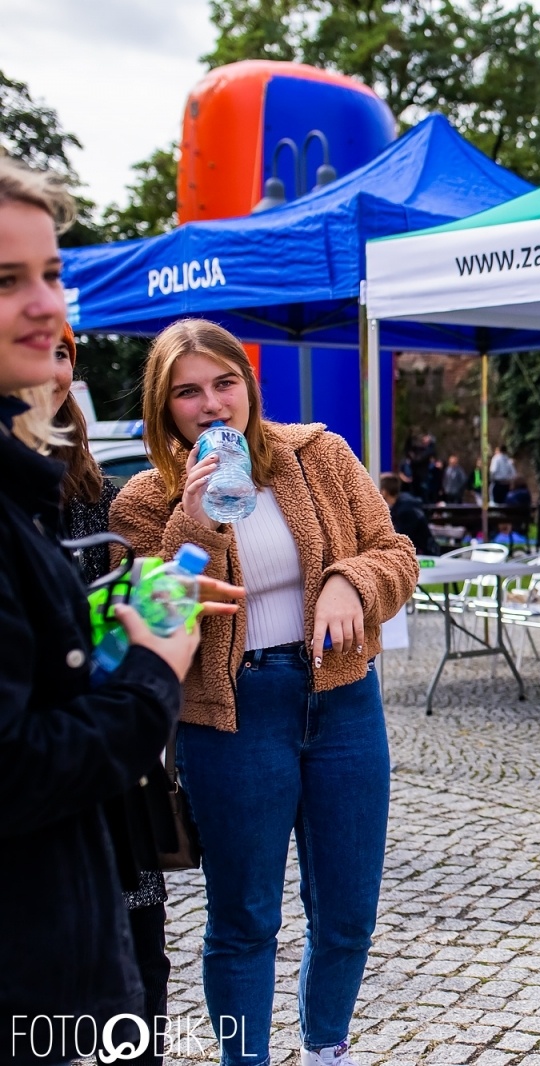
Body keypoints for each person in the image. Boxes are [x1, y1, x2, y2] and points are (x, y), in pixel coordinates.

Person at [111, 319, 418, 1066]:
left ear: (248, 386)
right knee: (245, 919)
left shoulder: (320, 454)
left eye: (225, 383)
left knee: (347, 912)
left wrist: (351, 581)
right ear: (164, 407)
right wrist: (195, 519)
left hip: (341, 699)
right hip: (233, 714)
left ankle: (325, 1050)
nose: (211, 404)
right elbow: (157, 615)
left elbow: (396, 552)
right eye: (188, 392)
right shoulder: (144, 500)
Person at [0, 157, 232, 1064]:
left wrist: (119, 607)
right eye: (7, 280)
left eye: (51, 274)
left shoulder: (315, 453)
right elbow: (17, 765)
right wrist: (150, 675)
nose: (44, 306)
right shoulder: (119, 492)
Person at [45, 323, 176, 1065]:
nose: (52, 368)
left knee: (139, 957)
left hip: (113, 763)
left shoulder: (98, 494)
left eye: (64, 353)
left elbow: (121, 606)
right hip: (41, 766)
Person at [379, 472, 439, 556]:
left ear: (384, 491)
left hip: (423, 555)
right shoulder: (399, 505)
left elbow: (400, 538)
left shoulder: (405, 510)